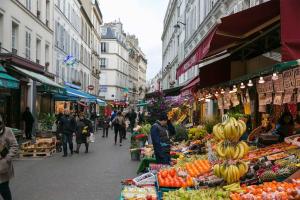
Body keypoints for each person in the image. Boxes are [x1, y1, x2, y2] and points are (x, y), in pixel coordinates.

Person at [0, 114, 18, 200]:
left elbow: (14, 145)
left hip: (3, 166)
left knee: (4, 189)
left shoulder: (7, 131)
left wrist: (8, 158)